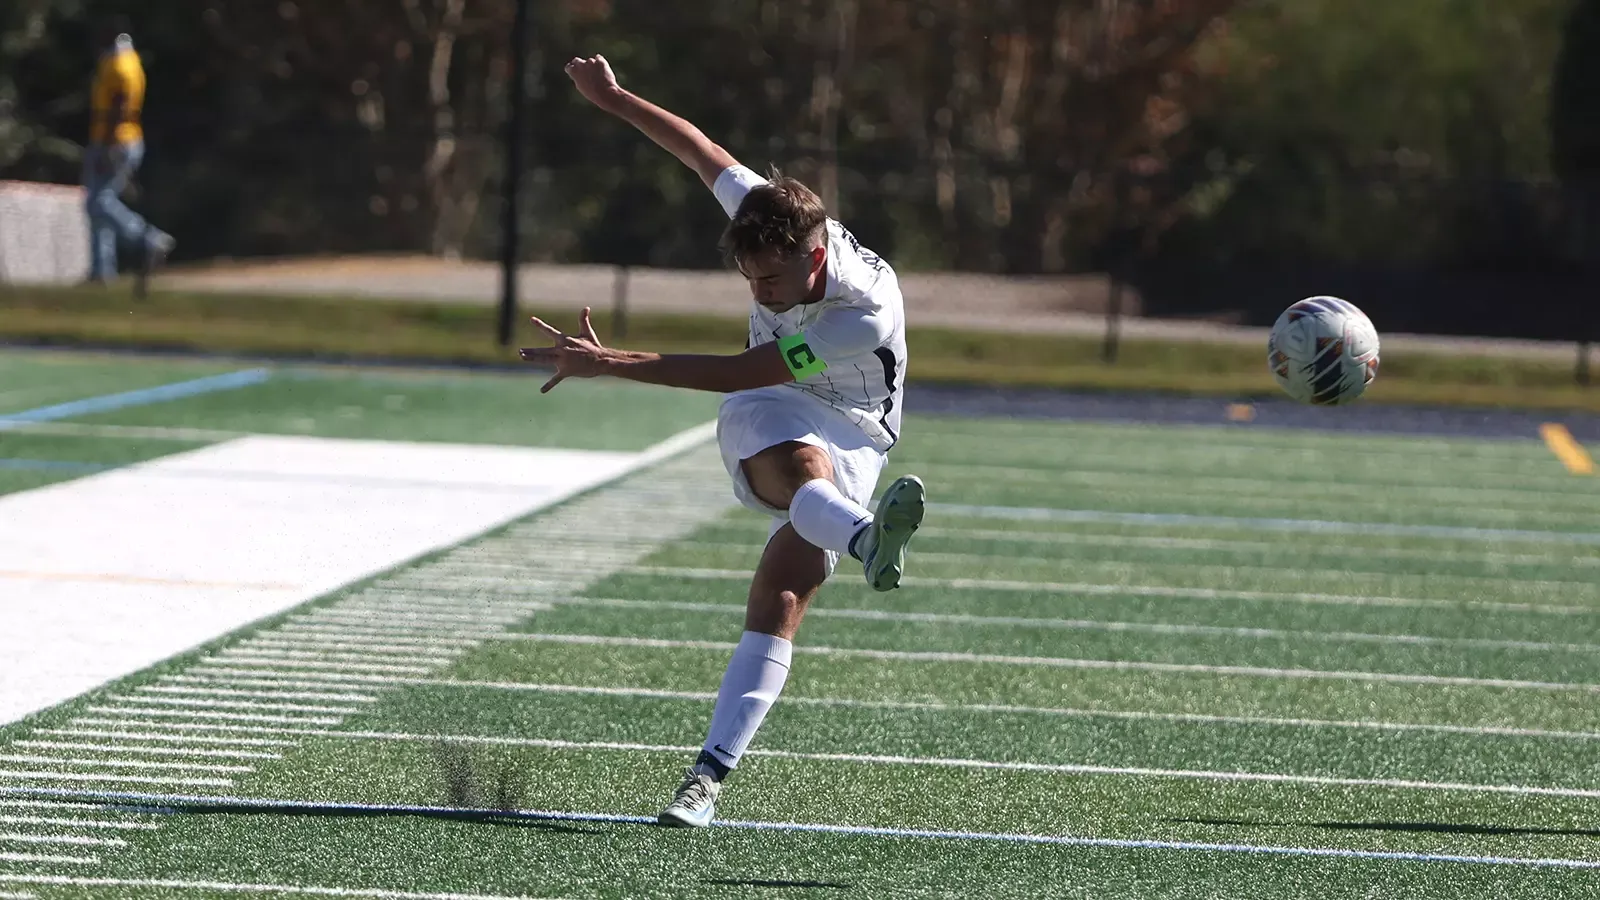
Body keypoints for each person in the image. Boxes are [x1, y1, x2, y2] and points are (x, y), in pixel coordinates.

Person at [519, 54, 926, 828]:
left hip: (854, 428)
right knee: (800, 468)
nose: (758, 292)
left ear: (814, 258)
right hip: (774, 403)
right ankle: (868, 537)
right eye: (747, 279)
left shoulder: (859, 313)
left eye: (770, 282)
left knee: (780, 598)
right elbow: (698, 148)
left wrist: (611, 362)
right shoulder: (772, 214)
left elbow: (741, 368)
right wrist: (610, 98)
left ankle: (706, 777)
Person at [83, 16, 174, 284]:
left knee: (98, 202)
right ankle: (102, 271)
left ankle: (148, 238)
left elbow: (118, 105)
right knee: (101, 203)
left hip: (115, 139)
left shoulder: (119, 64)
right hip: (123, 138)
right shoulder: (130, 60)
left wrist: (108, 145)